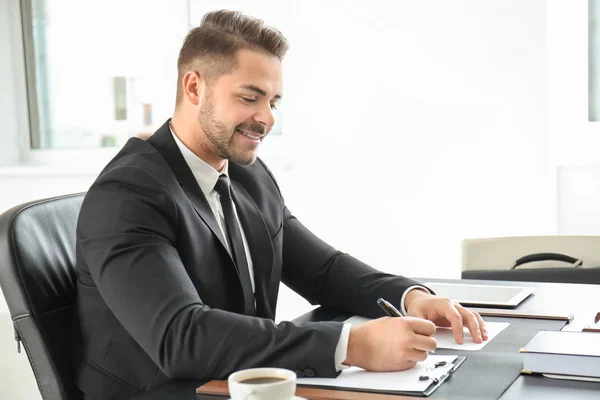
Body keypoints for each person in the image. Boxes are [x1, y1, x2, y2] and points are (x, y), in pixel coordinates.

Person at [71, 10, 487, 399]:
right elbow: (180, 336)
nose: (267, 118)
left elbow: (323, 271)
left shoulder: (245, 174)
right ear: (194, 87)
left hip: (238, 384)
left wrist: (410, 296)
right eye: (250, 98)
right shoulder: (128, 193)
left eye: (273, 102)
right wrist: (352, 345)